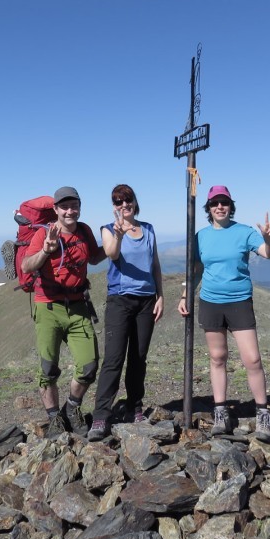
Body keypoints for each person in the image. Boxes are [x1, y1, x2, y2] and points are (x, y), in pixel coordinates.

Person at [177, 184, 270, 442]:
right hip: (211, 301)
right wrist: (184, 296)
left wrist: (267, 237)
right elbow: (195, 270)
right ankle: (221, 412)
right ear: (208, 208)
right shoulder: (200, 237)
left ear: (231, 206)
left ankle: (263, 413)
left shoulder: (244, 232)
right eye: (214, 203)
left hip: (239, 301)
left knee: (252, 359)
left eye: (224, 202)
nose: (219, 207)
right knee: (217, 357)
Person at [21, 186, 107, 437]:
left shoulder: (84, 231)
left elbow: (93, 258)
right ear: (56, 210)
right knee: (48, 369)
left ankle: (72, 407)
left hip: (78, 306)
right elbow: (26, 266)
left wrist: (116, 240)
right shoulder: (46, 233)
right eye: (65, 207)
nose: (70, 211)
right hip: (47, 306)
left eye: (74, 206)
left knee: (89, 365)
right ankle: (53, 417)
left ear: (79, 207)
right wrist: (47, 250)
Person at [87, 184, 165, 441]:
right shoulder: (108, 230)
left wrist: (160, 296)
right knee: (114, 358)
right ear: (113, 206)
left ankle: (135, 406)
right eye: (118, 202)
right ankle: (101, 415)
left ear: (134, 201)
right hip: (120, 300)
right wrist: (119, 234)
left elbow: (155, 263)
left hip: (146, 301)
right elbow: (111, 253)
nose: (124, 205)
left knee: (139, 357)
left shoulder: (149, 229)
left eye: (127, 200)